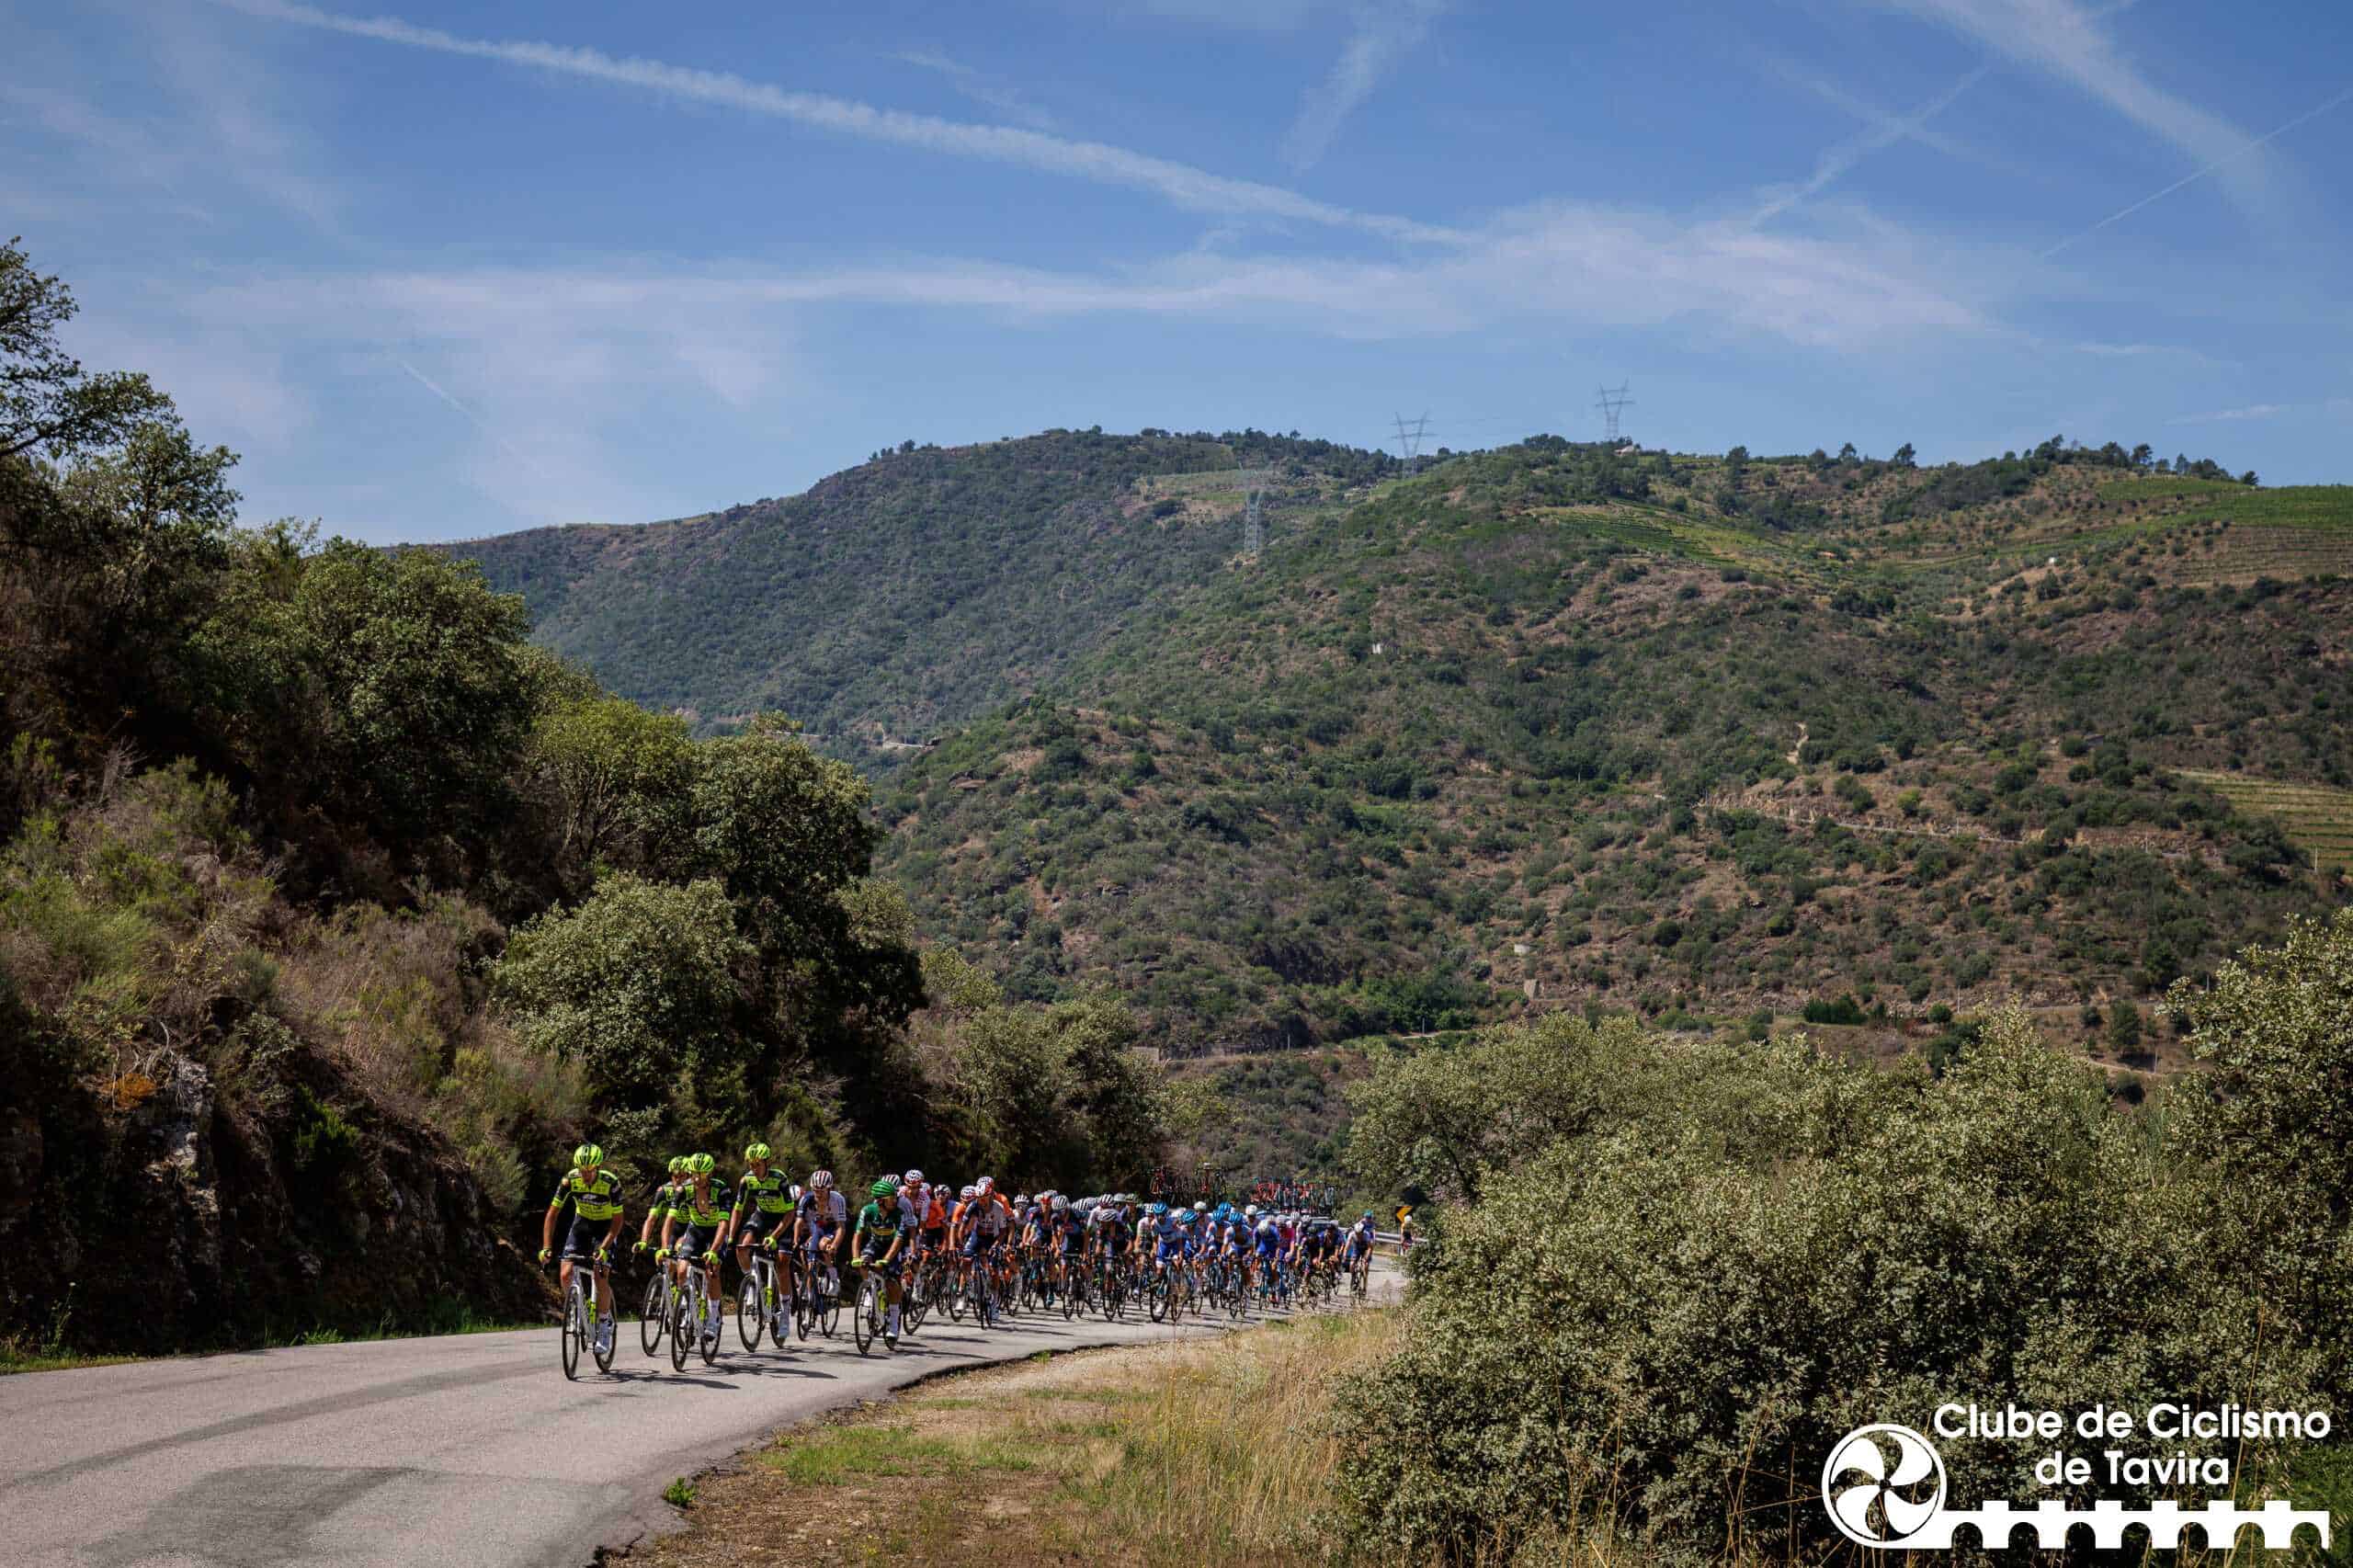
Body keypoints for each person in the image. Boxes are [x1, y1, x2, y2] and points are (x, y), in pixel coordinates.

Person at [540, 1142, 625, 1358]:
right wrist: (547, 1247)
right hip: (583, 1224)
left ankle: (605, 1324)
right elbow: (552, 1214)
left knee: (599, 1274)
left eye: (589, 1171)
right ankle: (575, 1311)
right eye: (581, 1170)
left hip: (606, 1226)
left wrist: (604, 1247)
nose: (585, 1175)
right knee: (565, 1272)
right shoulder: (570, 1180)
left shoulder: (610, 1183)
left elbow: (618, 1220)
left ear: (597, 1168)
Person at [659, 1153, 732, 1349]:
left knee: (712, 1269)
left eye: (702, 1174)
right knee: (681, 1269)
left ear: (709, 1174)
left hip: (716, 1231)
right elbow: (670, 1220)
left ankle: (714, 1315)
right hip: (696, 1229)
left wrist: (714, 1250)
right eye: (694, 1174)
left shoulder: (721, 1189)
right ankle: (686, 1305)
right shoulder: (684, 1189)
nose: (697, 1178)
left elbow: (725, 1224)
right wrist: (665, 1248)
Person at [733, 1142, 792, 1337]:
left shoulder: (780, 1180)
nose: (754, 1168)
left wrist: (774, 1236)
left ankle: (784, 1314)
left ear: (767, 1163)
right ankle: (751, 1282)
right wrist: (731, 1236)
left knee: (782, 1265)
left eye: (757, 1164)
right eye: (751, 1164)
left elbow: (791, 1212)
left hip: (783, 1219)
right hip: (763, 1215)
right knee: (742, 1248)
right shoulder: (747, 1180)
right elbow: (738, 1209)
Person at [851, 1176, 915, 1350]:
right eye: (891, 1198)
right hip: (875, 1243)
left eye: (895, 1197)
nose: (895, 1200)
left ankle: (894, 1320)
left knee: (891, 1281)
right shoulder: (868, 1210)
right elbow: (858, 1234)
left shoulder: (899, 1214)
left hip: (893, 1248)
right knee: (864, 1261)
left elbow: (899, 1240)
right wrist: (855, 1258)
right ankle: (869, 1291)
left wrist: (886, 1261)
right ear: (880, 1201)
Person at [794, 1168, 850, 1308]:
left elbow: (841, 1227)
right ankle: (809, 1292)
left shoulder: (837, 1200)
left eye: (821, 1191)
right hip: (817, 1226)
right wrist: (795, 1240)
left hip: (832, 1227)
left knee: (824, 1245)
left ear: (829, 1188)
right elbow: (799, 1222)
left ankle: (834, 1279)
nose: (818, 1194)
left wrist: (835, 1245)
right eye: (815, 1190)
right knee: (809, 1258)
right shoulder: (806, 1199)